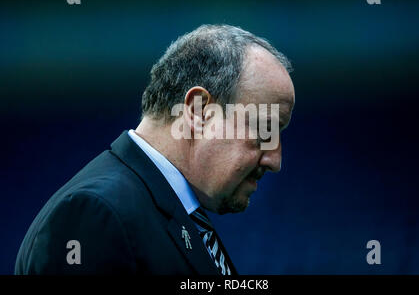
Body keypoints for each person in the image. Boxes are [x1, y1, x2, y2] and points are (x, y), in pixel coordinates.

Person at [15, 24, 295, 275]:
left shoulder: (164, 212)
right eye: (264, 129)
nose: (275, 159)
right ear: (198, 111)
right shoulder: (95, 215)